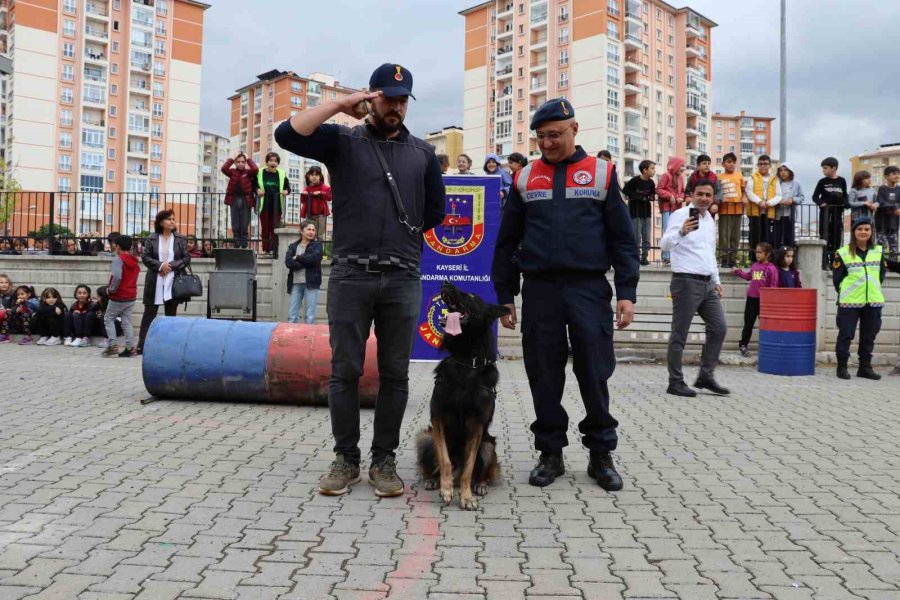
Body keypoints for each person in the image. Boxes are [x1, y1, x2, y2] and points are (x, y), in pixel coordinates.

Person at [275, 63, 445, 498]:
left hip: (402, 276)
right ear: (371, 97)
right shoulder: (343, 141)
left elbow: (435, 213)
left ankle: (384, 460)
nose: (396, 107)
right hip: (351, 273)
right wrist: (339, 105)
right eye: (388, 98)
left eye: (403, 100)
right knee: (345, 370)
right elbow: (287, 134)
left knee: (395, 373)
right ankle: (346, 459)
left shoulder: (423, 154)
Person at [492, 98, 639, 492]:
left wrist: (627, 292)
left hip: (588, 289)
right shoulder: (525, 178)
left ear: (574, 129)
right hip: (540, 291)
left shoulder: (602, 173)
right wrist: (505, 294)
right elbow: (505, 243)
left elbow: (623, 239)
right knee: (543, 373)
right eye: (540, 137)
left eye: (554, 135)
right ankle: (550, 452)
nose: (547, 144)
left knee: (594, 370)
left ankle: (601, 454)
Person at [660, 180, 729, 398]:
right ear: (691, 194)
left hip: (708, 283)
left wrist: (716, 280)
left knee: (719, 328)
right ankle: (675, 382)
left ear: (713, 197)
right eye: (700, 194)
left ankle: (705, 376)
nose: (704, 198)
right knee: (679, 334)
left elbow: (709, 252)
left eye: (708, 195)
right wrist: (681, 232)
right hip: (686, 282)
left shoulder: (709, 220)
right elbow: (664, 244)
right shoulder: (680, 215)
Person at [831, 217, 897, 380]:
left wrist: (872, 289)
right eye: (860, 229)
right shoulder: (842, 253)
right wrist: (847, 293)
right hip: (849, 302)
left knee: (869, 336)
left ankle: (865, 368)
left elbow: (881, 275)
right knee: (846, 335)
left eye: (867, 229)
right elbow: (837, 280)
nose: (863, 232)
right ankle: (842, 367)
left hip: (873, 301)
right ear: (854, 232)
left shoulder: (878, 251)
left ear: (871, 232)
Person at [136, 211, 190, 354]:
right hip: (155, 279)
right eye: (168, 219)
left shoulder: (180, 239)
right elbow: (145, 257)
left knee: (171, 314)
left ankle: (169, 345)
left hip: (173, 278)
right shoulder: (151, 238)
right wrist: (160, 266)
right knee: (149, 313)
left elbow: (186, 258)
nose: (172, 221)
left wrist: (169, 266)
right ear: (161, 222)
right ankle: (142, 344)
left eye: (173, 219)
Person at [733, 242, 778, 357]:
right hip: (752, 300)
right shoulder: (755, 266)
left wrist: (770, 301)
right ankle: (743, 345)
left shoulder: (772, 269)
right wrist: (738, 271)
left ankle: (767, 346)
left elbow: (773, 287)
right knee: (748, 323)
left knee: (766, 325)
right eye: (756, 252)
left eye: (760, 252)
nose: (757, 254)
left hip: (764, 301)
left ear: (767, 254)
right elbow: (748, 276)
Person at [104, 235, 140, 358]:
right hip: (131, 295)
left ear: (118, 246)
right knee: (127, 321)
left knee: (108, 318)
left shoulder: (118, 259)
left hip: (119, 295)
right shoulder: (134, 260)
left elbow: (117, 276)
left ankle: (113, 345)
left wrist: (111, 290)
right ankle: (130, 347)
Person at [285, 221, 323, 324]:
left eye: (313, 230)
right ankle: (292, 333)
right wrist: (306, 262)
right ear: (301, 231)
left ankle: (308, 334)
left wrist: (298, 257)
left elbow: (315, 259)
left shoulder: (317, 245)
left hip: (311, 283)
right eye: (308, 229)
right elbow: (288, 262)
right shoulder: (293, 246)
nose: (311, 232)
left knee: (310, 316)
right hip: (295, 283)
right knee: (292, 315)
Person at [814, 157, 848, 269]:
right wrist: (821, 203)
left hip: (837, 215)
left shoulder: (842, 181)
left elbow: (845, 195)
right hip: (825, 215)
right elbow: (815, 196)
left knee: (836, 238)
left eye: (825, 168)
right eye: (823, 168)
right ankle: (824, 262)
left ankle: (835, 262)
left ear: (834, 168)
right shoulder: (822, 182)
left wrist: (846, 203)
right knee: (824, 237)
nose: (823, 170)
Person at [221, 152, 259, 249]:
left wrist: (248, 158)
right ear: (235, 163)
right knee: (235, 223)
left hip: (246, 200)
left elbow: (255, 169)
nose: (240, 164)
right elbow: (224, 169)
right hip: (233, 199)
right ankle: (236, 243)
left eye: (243, 162)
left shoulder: (248, 173)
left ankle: (244, 243)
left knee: (244, 223)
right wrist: (232, 158)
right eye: (238, 162)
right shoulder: (232, 172)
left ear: (245, 163)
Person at [744, 155, 779, 260]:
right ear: (758, 165)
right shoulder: (753, 177)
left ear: (770, 165)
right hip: (755, 212)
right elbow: (749, 191)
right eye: (761, 164)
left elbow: (779, 195)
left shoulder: (774, 179)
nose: (763, 166)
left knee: (766, 236)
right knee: (754, 236)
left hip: (769, 212)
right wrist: (759, 201)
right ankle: (753, 259)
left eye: (765, 164)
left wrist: (769, 203)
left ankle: (766, 259)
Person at [256, 152, 291, 254]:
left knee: (275, 229)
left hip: (277, 206)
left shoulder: (281, 174)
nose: (273, 163)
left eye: (276, 161)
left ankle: (274, 250)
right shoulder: (260, 173)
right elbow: (254, 185)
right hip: (264, 206)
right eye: (271, 160)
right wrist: (257, 190)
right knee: (265, 229)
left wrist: (286, 191)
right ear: (267, 162)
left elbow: (288, 188)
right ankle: (266, 250)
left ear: (278, 163)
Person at [623, 159, 655, 266]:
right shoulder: (635, 181)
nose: (654, 171)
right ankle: (635, 256)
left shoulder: (651, 182)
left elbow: (653, 194)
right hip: (635, 212)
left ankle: (644, 257)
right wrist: (638, 197)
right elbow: (625, 190)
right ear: (645, 170)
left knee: (647, 236)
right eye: (652, 168)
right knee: (636, 236)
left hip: (647, 212)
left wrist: (650, 197)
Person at [656, 157, 686, 264]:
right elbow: (659, 189)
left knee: (677, 230)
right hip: (667, 207)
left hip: (677, 208)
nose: (683, 168)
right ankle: (666, 257)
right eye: (681, 166)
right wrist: (670, 196)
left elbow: (682, 191)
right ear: (675, 166)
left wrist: (681, 197)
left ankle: (674, 256)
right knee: (667, 230)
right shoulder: (666, 175)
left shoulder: (681, 178)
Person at [718, 153, 745, 268]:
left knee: (735, 236)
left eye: (734, 162)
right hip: (724, 210)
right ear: (723, 164)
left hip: (737, 210)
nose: (732, 164)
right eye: (729, 162)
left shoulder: (739, 176)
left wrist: (744, 198)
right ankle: (725, 259)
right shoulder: (719, 177)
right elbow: (717, 192)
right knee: (724, 235)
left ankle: (733, 259)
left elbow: (744, 191)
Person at [773, 163, 804, 250]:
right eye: (781, 170)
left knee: (789, 238)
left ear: (790, 171)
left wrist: (792, 199)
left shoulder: (796, 183)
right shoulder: (776, 183)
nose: (783, 172)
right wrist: (777, 201)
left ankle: (789, 256)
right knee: (776, 238)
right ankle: (777, 256)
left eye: (785, 170)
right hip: (777, 215)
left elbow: (802, 198)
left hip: (790, 215)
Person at [300, 166, 332, 242]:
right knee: (309, 234)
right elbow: (302, 201)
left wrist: (320, 192)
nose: (314, 177)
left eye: (316, 175)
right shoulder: (307, 188)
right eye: (312, 175)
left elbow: (330, 197)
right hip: (310, 215)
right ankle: (310, 248)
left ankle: (319, 249)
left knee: (319, 235)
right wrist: (304, 194)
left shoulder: (324, 187)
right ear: (309, 177)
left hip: (320, 215)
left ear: (320, 177)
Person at [876, 166, 900, 259]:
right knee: (881, 247)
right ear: (886, 176)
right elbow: (881, 203)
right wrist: (895, 207)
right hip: (882, 223)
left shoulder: (899, 189)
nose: (897, 176)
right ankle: (881, 265)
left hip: (894, 224)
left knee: (894, 248)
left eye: (898, 174)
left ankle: (893, 264)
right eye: (894, 174)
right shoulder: (882, 188)